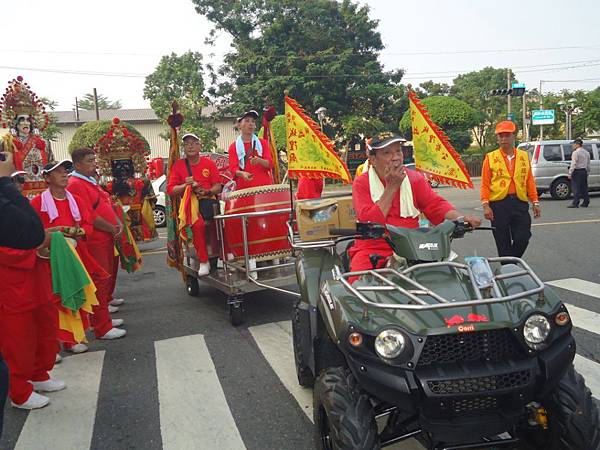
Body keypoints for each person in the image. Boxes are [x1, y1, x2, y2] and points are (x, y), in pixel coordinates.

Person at [350, 134, 481, 274]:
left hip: (414, 246)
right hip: (374, 247)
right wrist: (392, 187)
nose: (395, 157)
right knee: (357, 284)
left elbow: (435, 205)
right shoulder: (361, 183)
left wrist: (461, 219)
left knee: (456, 278)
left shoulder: (414, 178)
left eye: (398, 151)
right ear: (373, 160)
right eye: (387, 153)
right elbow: (370, 221)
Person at [0, 151, 64, 412]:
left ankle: (39, 374)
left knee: (44, 328)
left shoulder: (12, 199)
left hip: (34, 277)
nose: (17, 186)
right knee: (18, 339)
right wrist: (35, 247)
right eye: (11, 180)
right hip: (12, 283)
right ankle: (19, 390)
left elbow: (30, 228)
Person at [31, 160, 109, 354]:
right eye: (57, 172)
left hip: (77, 254)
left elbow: (89, 225)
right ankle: (56, 343)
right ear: (47, 178)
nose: (64, 174)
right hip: (51, 259)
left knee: (77, 292)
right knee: (54, 298)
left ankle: (74, 338)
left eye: (65, 171)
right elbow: (34, 233)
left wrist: (79, 232)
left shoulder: (75, 200)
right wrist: (55, 236)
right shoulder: (38, 203)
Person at [67, 148, 126, 340]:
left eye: (94, 159)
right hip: (94, 240)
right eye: (90, 160)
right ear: (77, 164)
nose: (95, 163)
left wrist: (115, 223)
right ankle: (102, 326)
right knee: (99, 280)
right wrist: (111, 227)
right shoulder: (76, 184)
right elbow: (89, 216)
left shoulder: (88, 182)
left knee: (104, 279)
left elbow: (104, 205)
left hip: (104, 237)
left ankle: (102, 319)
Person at [480, 121, 541, 258]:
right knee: (502, 241)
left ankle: (510, 264)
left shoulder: (523, 156)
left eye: (507, 135)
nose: (503, 139)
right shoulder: (490, 158)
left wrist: (535, 201)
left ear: (514, 136)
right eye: (500, 136)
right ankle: (507, 271)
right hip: (498, 204)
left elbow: (529, 180)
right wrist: (485, 205)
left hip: (519, 202)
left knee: (523, 237)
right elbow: (485, 183)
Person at [167, 133, 222, 276]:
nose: (190, 145)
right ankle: (204, 261)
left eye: (194, 142)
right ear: (184, 147)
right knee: (198, 224)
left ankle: (225, 254)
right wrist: (186, 185)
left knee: (224, 220)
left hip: (208, 201)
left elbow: (218, 186)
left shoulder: (209, 164)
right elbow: (171, 190)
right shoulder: (178, 166)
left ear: (199, 145)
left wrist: (207, 192)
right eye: (187, 143)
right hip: (189, 204)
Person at [228, 110, 274, 190]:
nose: (250, 124)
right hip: (244, 190)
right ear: (239, 125)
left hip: (264, 188)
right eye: (247, 121)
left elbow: (270, 164)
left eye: (253, 121)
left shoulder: (262, 143)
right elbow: (233, 169)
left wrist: (259, 160)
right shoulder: (233, 147)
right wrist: (242, 174)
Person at [568, 138, 591, 208]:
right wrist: (587, 172)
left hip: (577, 171)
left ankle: (575, 203)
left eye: (574, 144)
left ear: (577, 144)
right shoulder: (587, 152)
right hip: (584, 171)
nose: (572, 145)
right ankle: (586, 201)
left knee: (576, 188)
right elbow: (588, 164)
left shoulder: (575, 153)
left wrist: (570, 173)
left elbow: (573, 164)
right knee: (584, 187)